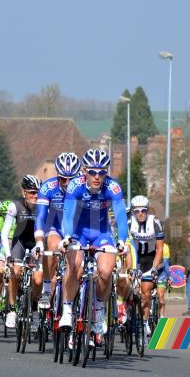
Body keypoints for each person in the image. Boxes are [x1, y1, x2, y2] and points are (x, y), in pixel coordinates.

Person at [60, 148, 129, 346]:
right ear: (84, 171)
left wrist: (122, 240)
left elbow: (121, 217)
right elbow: (68, 214)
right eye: (92, 172)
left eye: (102, 172)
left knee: (106, 272)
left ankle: (99, 310)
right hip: (78, 232)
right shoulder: (75, 185)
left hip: (102, 233)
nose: (97, 177)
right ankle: (66, 310)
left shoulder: (113, 187)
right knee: (75, 266)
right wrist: (66, 236)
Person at [34, 152, 81, 311]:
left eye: (71, 179)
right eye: (63, 179)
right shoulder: (48, 187)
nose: (67, 183)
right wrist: (39, 242)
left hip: (75, 230)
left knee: (76, 268)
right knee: (52, 245)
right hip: (54, 226)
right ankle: (47, 288)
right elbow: (40, 216)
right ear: (57, 176)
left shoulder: (84, 188)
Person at [2, 174, 41, 329]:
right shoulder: (14, 206)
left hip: (37, 242)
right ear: (24, 192)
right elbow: (5, 233)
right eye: (32, 192)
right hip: (20, 242)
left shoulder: (43, 205)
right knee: (15, 272)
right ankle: (12, 310)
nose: (35, 196)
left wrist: (41, 248)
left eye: (38, 192)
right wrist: (8, 255)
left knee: (38, 279)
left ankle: (35, 309)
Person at [128, 195, 164, 337]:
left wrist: (155, 268)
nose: (140, 213)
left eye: (143, 210)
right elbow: (125, 246)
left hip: (150, 258)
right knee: (126, 287)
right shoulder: (129, 222)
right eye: (137, 211)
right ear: (133, 212)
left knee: (145, 292)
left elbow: (160, 249)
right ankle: (125, 313)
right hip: (135, 258)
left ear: (147, 210)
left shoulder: (155, 222)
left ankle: (144, 322)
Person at [156, 241, 171, 318]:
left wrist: (168, 276)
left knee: (160, 295)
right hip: (148, 271)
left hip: (161, 273)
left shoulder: (164, 247)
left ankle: (161, 317)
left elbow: (166, 264)